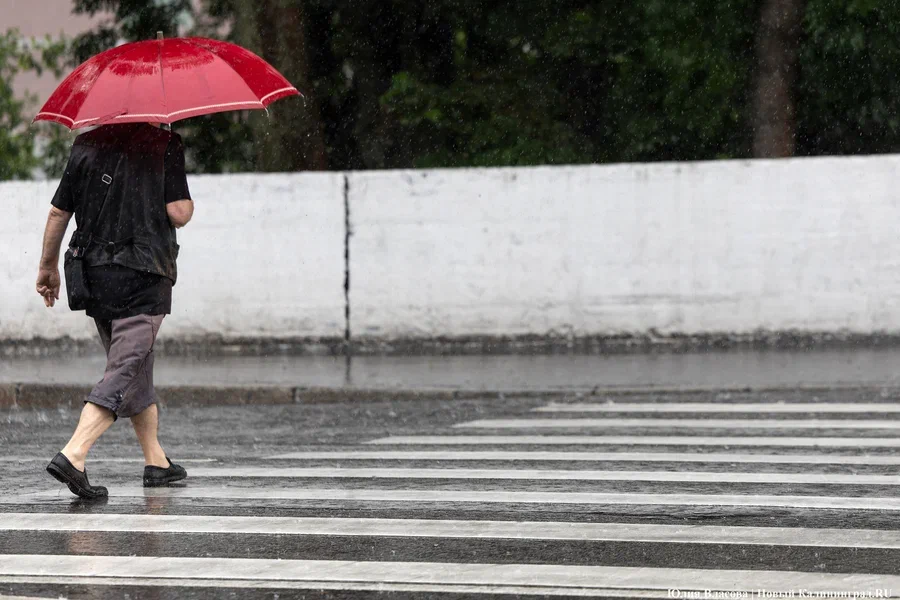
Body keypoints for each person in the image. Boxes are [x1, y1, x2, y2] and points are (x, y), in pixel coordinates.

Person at [35, 122, 194, 499]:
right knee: (124, 368)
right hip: (145, 274)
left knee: (135, 363)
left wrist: (47, 268)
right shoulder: (164, 143)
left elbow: (59, 213)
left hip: (97, 277)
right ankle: (74, 454)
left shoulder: (85, 145)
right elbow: (179, 213)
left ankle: (156, 461)